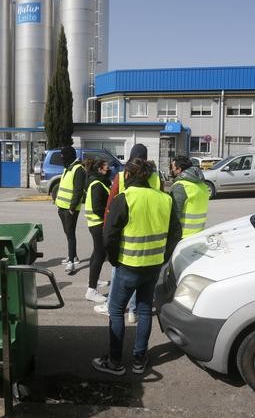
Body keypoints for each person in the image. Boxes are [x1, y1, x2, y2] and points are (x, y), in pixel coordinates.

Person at [92, 159, 182, 376]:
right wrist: (162, 257)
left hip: (128, 266)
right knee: (143, 311)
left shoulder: (125, 198)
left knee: (115, 311)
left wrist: (114, 260)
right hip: (152, 267)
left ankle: (115, 363)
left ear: (128, 176)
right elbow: (175, 234)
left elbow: (109, 236)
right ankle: (139, 360)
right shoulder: (165, 199)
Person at [54, 146, 86, 275]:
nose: (62, 158)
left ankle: (71, 262)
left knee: (71, 234)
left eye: (63, 156)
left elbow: (78, 191)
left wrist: (72, 207)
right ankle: (73, 256)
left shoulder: (78, 169)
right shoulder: (68, 168)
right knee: (67, 232)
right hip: (61, 206)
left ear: (69, 156)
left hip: (70, 209)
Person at [84, 158, 111, 303]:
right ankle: (91, 290)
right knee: (100, 255)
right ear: (100, 169)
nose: (109, 169)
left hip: (96, 224)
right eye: (107, 167)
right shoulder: (97, 184)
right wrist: (109, 218)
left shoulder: (98, 182)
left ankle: (94, 281)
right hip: (98, 224)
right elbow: (97, 207)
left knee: (96, 254)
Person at [168, 156, 210, 239]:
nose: (171, 171)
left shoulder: (180, 186)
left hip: (183, 236)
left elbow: (174, 217)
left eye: (172, 168)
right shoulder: (202, 185)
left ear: (179, 169)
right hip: (199, 233)